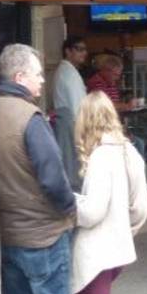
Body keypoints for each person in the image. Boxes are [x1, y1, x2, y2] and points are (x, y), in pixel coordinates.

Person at [0, 44, 88, 294]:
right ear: (19, 77)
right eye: (36, 74)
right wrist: (69, 209)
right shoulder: (30, 118)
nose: (40, 81)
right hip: (44, 235)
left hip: (8, 233)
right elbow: (53, 177)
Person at [64, 91, 147, 294]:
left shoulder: (101, 157)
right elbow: (140, 208)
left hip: (94, 254)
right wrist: (125, 228)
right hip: (117, 250)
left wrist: (70, 202)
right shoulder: (130, 151)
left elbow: (92, 212)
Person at [52, 35, 88, 189]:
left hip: (69, 124)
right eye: (79, 49)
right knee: (74, 171)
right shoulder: (68, 73)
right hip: (72, 125)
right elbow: (77, 106)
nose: (84, 53)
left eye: (85, 50)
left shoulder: (68, 71)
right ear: (68, 51)